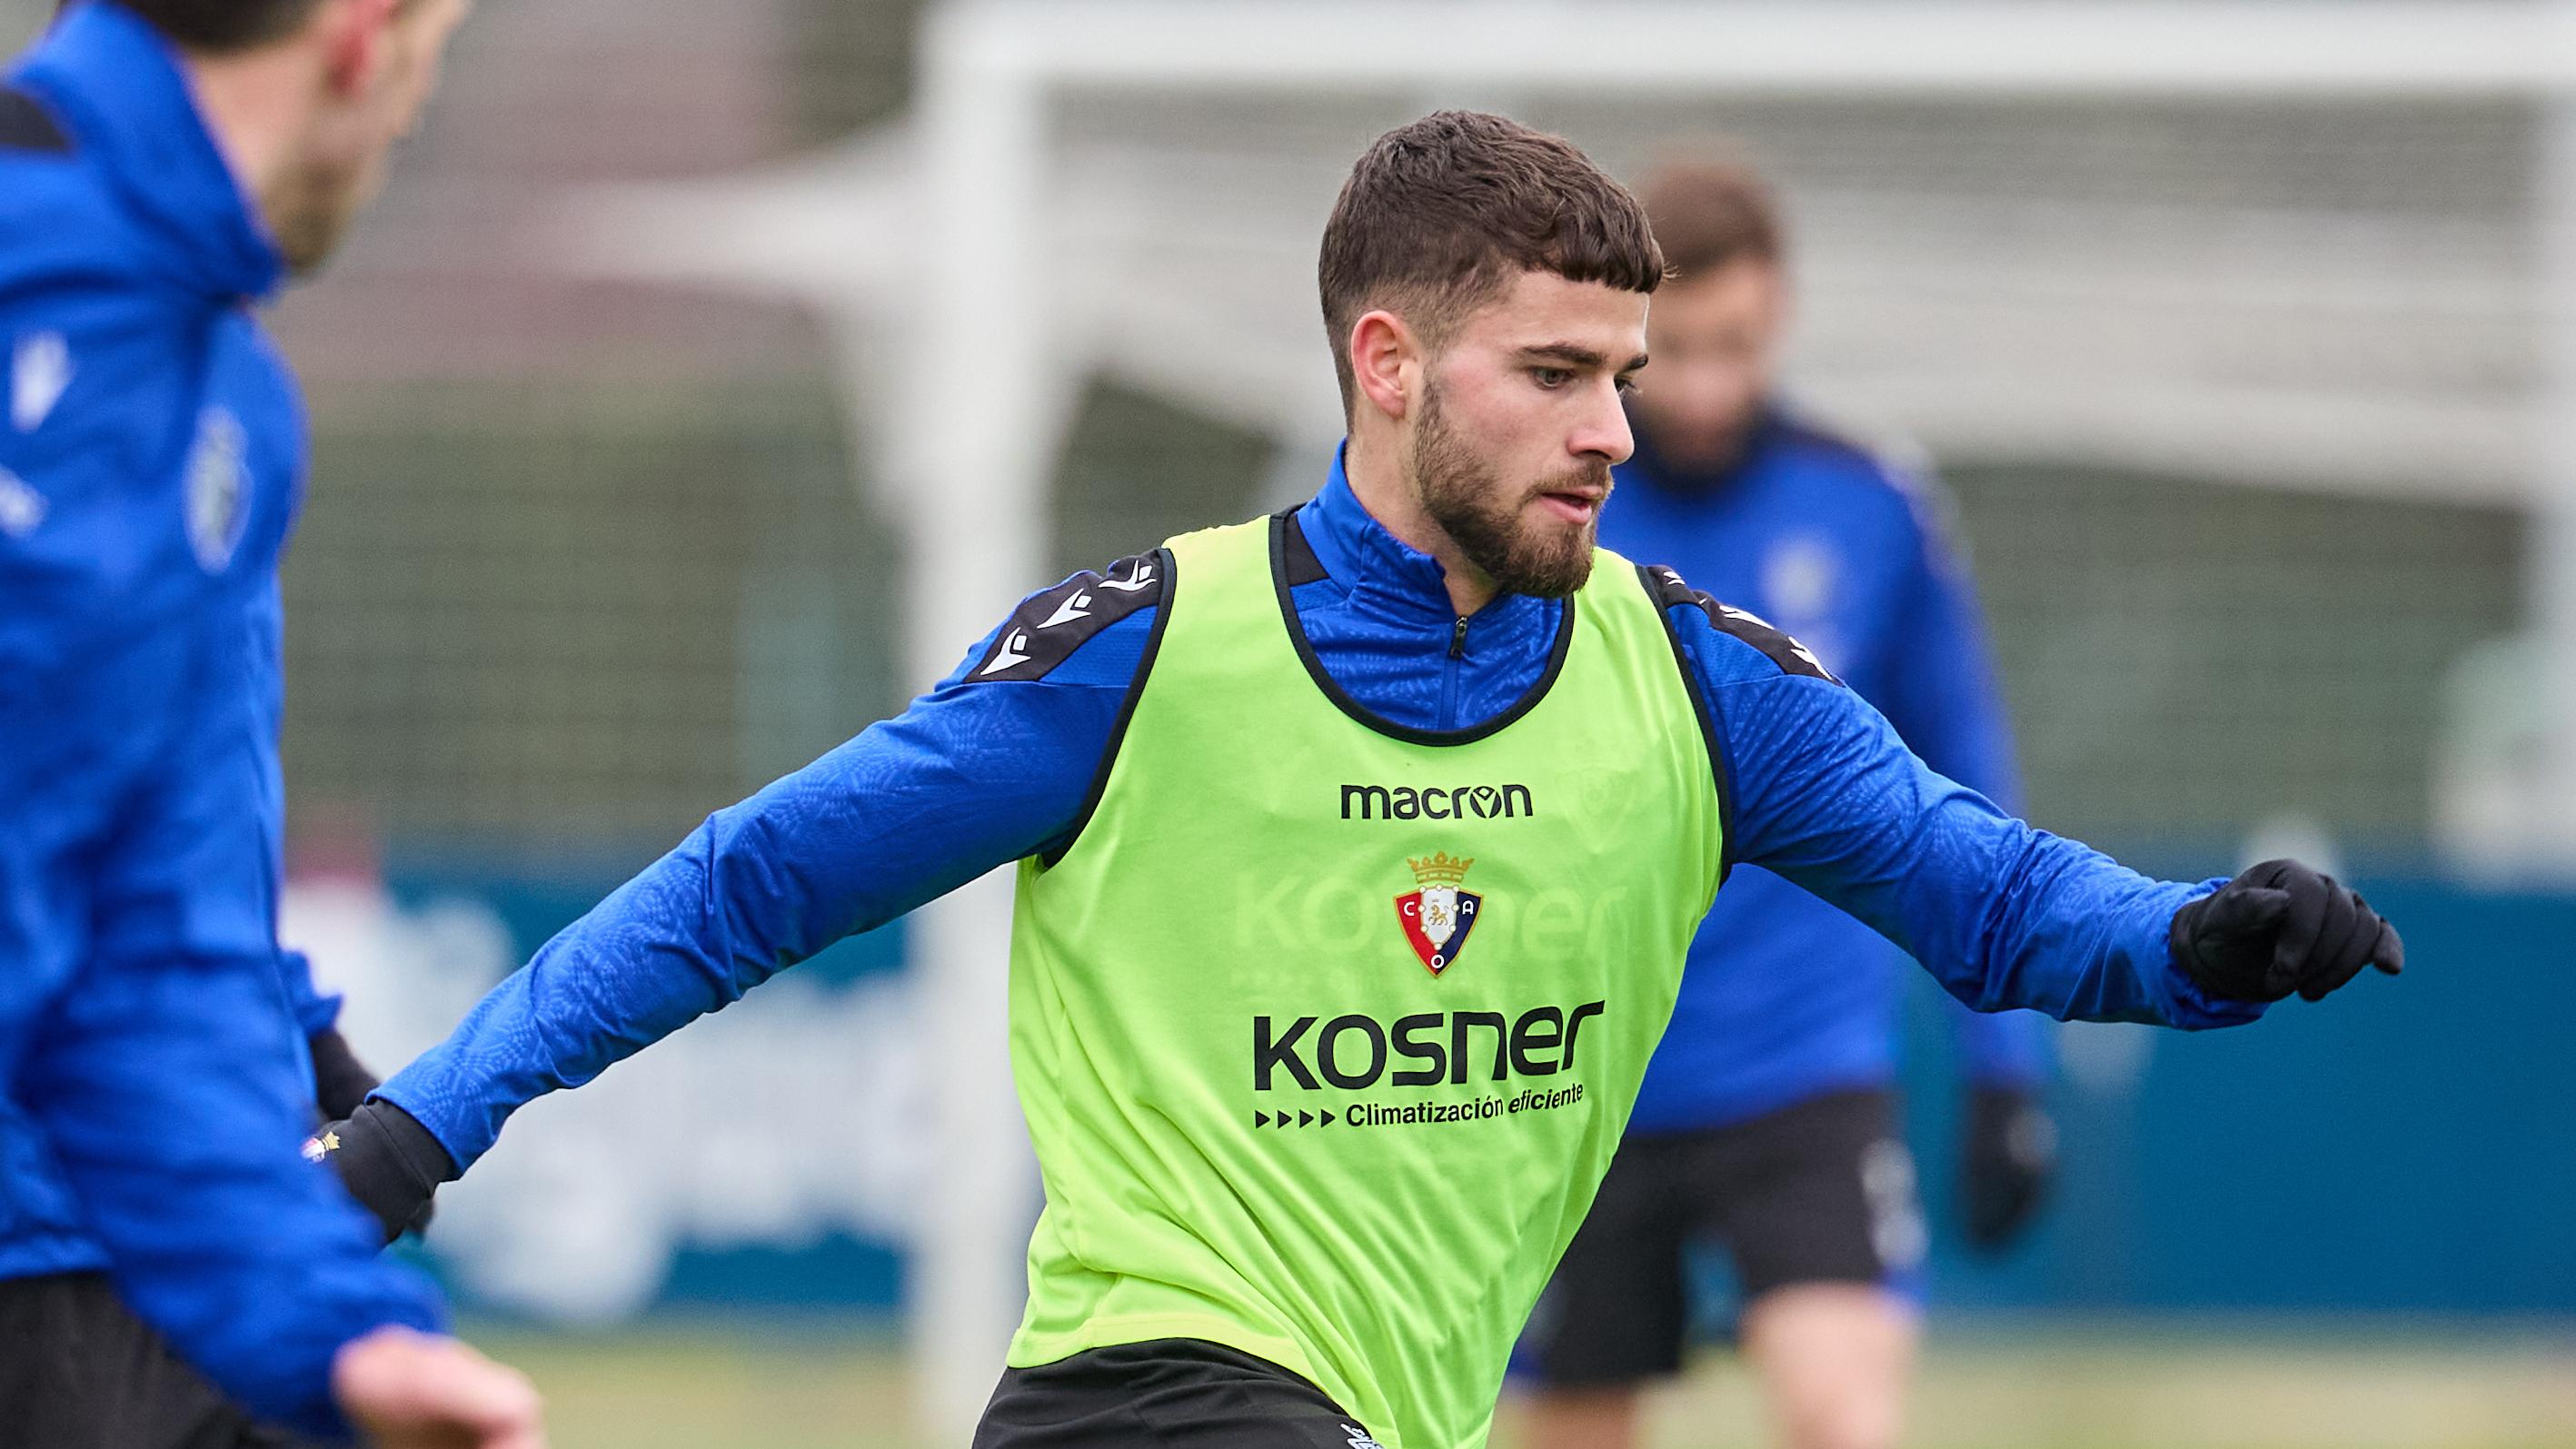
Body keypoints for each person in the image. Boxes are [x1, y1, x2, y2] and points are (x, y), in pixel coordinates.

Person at [320, 111, 2402, 1449]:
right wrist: (425, 1125)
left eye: (1625, 376)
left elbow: (1990, 895)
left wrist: (2198, 945)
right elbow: (740, 889)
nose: (1610, 428)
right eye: (1554, 376)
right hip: (1152, 1397)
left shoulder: (1692, 684)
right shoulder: (1135, 660)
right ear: (1387, 367)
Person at [0, 2, 542, 1445]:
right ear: (363, 38)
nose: (416, 116)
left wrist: (331, 1334)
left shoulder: (225, 404)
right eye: (436, 51)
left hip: (107, 1231)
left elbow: (138, 934)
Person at [1509, 156, 2049, 1449]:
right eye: (1672, 351)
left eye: (1734, 345)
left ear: (1781, 315)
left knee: (1838, 1417)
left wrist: (2003, 1067)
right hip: (1573, 1069)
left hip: (1805, 1066)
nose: (1702, 385)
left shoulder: (1871, 504)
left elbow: (1960, 774)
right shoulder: (1541, 504)